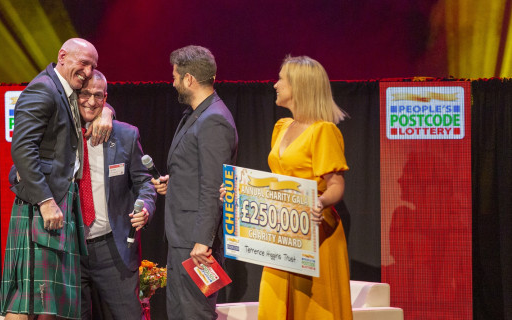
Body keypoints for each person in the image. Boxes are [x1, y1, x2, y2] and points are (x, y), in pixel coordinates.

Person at [0, 38, 114, 320]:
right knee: (26, 298)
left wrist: (108, 113)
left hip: (63, 200)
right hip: (43, 203)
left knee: (51, 302)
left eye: (93, 66)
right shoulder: (44, 89)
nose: (88, 71)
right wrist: (46, 201)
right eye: (83, 63)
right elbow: (22, 148)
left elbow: (95, 103)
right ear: (62, 56)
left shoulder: (67, 90)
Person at [237, 55, 352, 319]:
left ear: (299, 86)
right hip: (282, 230)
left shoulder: (323, 131)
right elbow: (276, 181)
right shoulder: (282, 127)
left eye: (281, 79)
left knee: (310, 307)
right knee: (275, 301)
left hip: (314, 232)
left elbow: (336, 184)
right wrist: (240, 193)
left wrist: (320, 202)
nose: (275, 84)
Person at [152, 45, 238, 320]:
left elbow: (214, 186)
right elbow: (196, 172)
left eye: (175, 76)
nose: (173, 82)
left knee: (194, 314)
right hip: (182, 237)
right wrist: (173, 182)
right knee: (179, 312)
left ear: (189, 79)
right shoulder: (196, 114)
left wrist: (203, 241)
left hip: (197, 244)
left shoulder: (213, 119)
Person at [75, 70, 156, 320]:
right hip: (71, 249)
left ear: (105, 97)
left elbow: (145, 181)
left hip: (113, 248)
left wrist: (145, 208)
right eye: (84, 94)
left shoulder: (124, 135)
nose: (90, 101)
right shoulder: (62, 132)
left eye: (97, 96)